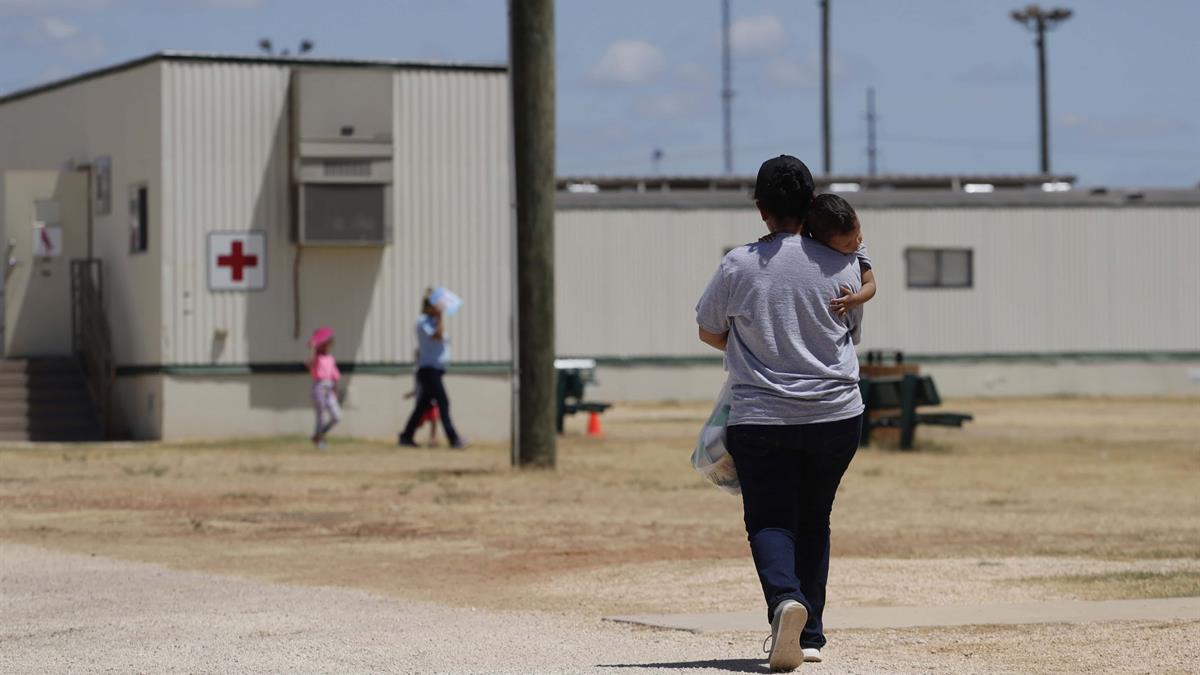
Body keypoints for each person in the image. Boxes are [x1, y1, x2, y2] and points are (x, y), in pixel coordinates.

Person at [695, 155, 865, 671]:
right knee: (815, 517)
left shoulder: (738, 264)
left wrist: (747, 343)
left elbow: (708, 330)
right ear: (811, 204)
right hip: (837, 412)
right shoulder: (842, 262)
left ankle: (785, 601)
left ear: (760, 207)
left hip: (762, 414)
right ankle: (810, 638)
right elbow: (850, 333)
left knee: (770, 519)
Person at [398, 290, 466, 449]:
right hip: (429, 370)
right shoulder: (423, 322)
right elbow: (437, 336)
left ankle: (406, 436)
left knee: (422, 406)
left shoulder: (434, 321)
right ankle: (454, 439)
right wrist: (440, 317)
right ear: (429, 307)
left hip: (436, 369)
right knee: (443, 402)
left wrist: (439, 318)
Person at [306, 326, 341, 450]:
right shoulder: (316, 358)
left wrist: (335, 390)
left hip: (329, 389)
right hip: (319, 388)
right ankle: (319, 442)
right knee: (320, 416)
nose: (328, 346)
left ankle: (318, 435)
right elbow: (309, 364)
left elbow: (335, 376)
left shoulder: (331, 359)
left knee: (336, 416)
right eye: (326, 344)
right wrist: (312, 348)